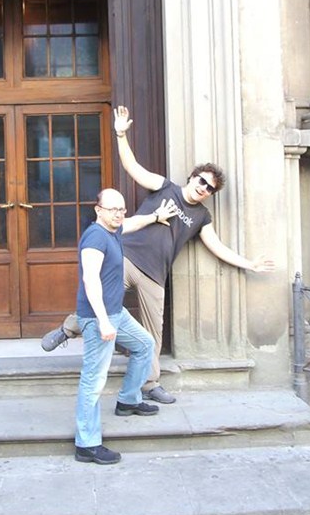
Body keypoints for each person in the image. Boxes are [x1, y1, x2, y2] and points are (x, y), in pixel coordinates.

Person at [44, 106, 276, 406]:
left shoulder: (202, 217)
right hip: (126, 258)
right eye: (202, 181)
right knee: (98, 297)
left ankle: (149, 384)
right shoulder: (165, 187)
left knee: (153, 333)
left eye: (210, 188)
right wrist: (121, 134)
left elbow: (217, 247)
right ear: (192, 177)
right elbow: (133, 167)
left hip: (155, 275)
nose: (204, 188)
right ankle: (68, 329)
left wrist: (250, 264)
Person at [74, 187, 178, 465]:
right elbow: (90, 280)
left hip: (116, 313)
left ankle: (128, 400)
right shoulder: (95, 237)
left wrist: (156, 216)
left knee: (145, 345)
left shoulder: (113, 229)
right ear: (98, 210)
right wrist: (103, 321)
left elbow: (132, 223)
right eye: (113, 209)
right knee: (93, 380)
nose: (119, 214)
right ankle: (87, 444)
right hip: (98, 317)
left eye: (121, 209)